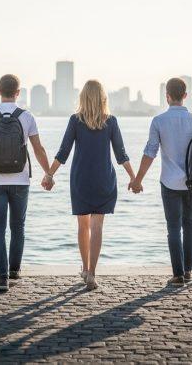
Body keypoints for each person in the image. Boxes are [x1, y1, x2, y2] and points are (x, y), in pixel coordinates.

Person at [43, 80, 136, 290]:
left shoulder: (75, 121)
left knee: (83, 225)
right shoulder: (110, 121)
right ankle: (92, 273)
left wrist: (49, 174)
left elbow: (63, 152)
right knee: (97, 226)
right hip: (104, 179)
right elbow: (121, 155)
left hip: (81, 180)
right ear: (103, 97)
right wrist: (133, 178)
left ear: (83, 98)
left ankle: (85, 269)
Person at [129, 77, 192, 287]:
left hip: (169, 183)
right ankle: (187, 272)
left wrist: (137, 180)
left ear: (166, 96)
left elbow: (150, 153)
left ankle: (177, 275)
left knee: (174, 228)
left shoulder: (159, 121)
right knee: (190, 224)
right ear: (185, 96)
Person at [0, 74, 52, 292]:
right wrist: (49, 173)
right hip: (20, 180)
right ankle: (15, 270)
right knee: (18, 226)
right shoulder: (27, 117)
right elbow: (38, 149)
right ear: (18, 93)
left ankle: (2, 279)